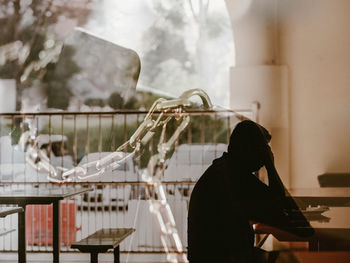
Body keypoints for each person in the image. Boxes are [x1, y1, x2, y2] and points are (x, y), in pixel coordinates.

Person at [187, 120, 313, 263]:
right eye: (264, 149)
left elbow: (278, 206)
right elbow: (298, 226)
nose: (266, 155)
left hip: (216, 257)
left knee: (286, 257)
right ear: (250, 149)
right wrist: (271, 166)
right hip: (226, 258)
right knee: (291, 259)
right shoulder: (234, 176)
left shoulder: (225, 169)